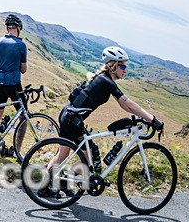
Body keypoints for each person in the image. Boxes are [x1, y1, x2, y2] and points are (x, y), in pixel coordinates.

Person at [42, 46, 164, 196]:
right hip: (72, 119)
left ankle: (54, 183)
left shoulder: (105, 80)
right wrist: (152, 119)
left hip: (70, 116)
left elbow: (125, 105)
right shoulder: (106, 81)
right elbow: (129, 104)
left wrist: (143, 116)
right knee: (84, 158)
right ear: (113, 65)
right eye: (123, 66)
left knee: (66, 155)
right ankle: (60, 182)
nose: (125, 70)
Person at [0, 14, 27, 153]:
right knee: (23, 116)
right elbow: (23, 69)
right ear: (19, 28)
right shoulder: (21, 45)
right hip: (14, 85)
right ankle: (17, 150)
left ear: (7, 27)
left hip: (0, 84)